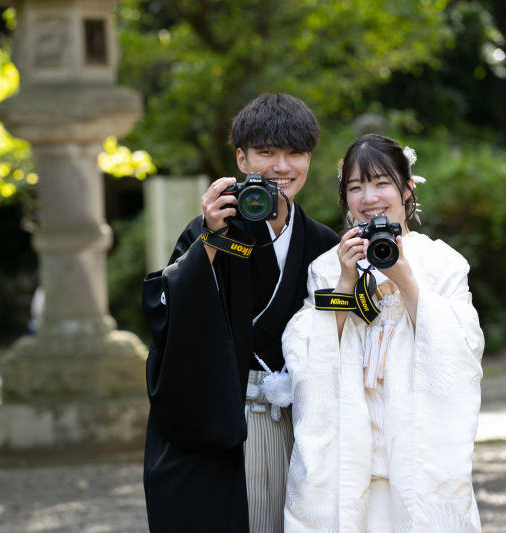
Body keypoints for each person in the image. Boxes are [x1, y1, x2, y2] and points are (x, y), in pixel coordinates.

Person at [142, 93, 340, 533]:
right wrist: (211, 240)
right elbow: (166, 313)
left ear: (310, 158)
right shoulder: (212, 230)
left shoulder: (323, 243)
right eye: (266, 153)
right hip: (221, 416)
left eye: (295, 153)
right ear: (241, 158)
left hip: (299, 419)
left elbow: (339, 326)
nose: (282, 167)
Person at [282, 134, 484, 532]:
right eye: (355, 188)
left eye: (381, 183)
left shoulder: (444, 262)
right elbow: (308, 354)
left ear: (407, 188)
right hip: (351, 458)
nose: (369, 197)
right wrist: (343, 283)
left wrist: (406, 279)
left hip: (419, 455)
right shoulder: (327, 266)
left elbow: (464, 347)